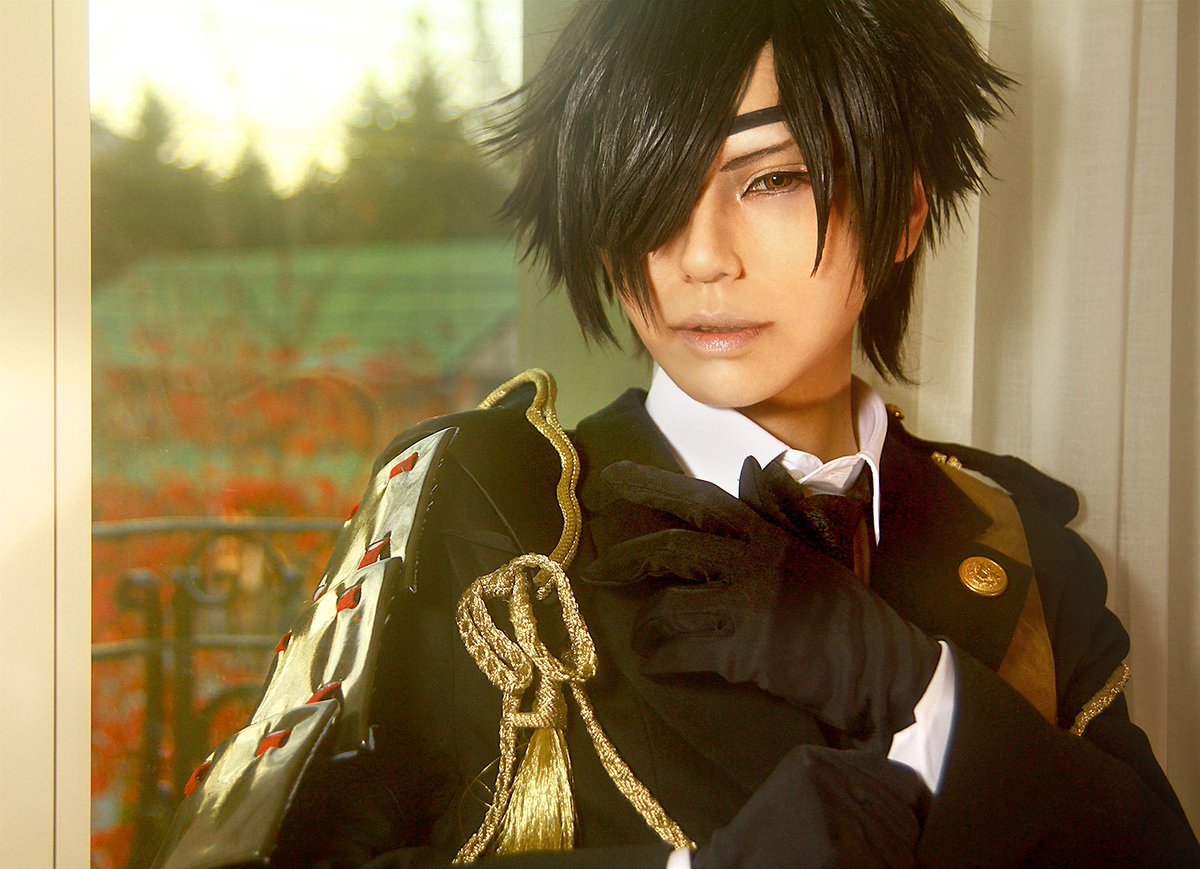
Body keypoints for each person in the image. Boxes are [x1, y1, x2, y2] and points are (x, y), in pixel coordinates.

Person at [155, 2, 1200, 867]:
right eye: (650, 192)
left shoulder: (1020, 547)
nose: (700, 256)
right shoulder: (486, 509)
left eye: (772, 178)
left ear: (906, 212)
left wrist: (917, 684)